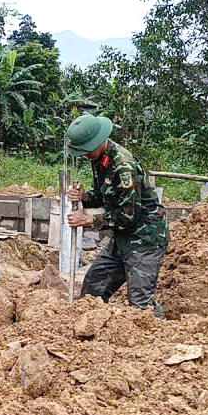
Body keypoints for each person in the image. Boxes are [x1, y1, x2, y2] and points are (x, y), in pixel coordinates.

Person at [65, 114, 168, 317]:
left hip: (145, 239)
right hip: (122, 238)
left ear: (97, 141)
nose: (85, 155)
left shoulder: (124, 167)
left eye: (86, 150)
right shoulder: (99, 159)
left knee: (141, 306)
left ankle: (161, 331)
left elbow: (128, 216)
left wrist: (89, 220)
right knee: (93, 288)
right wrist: (85, 197)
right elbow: (106, 196)